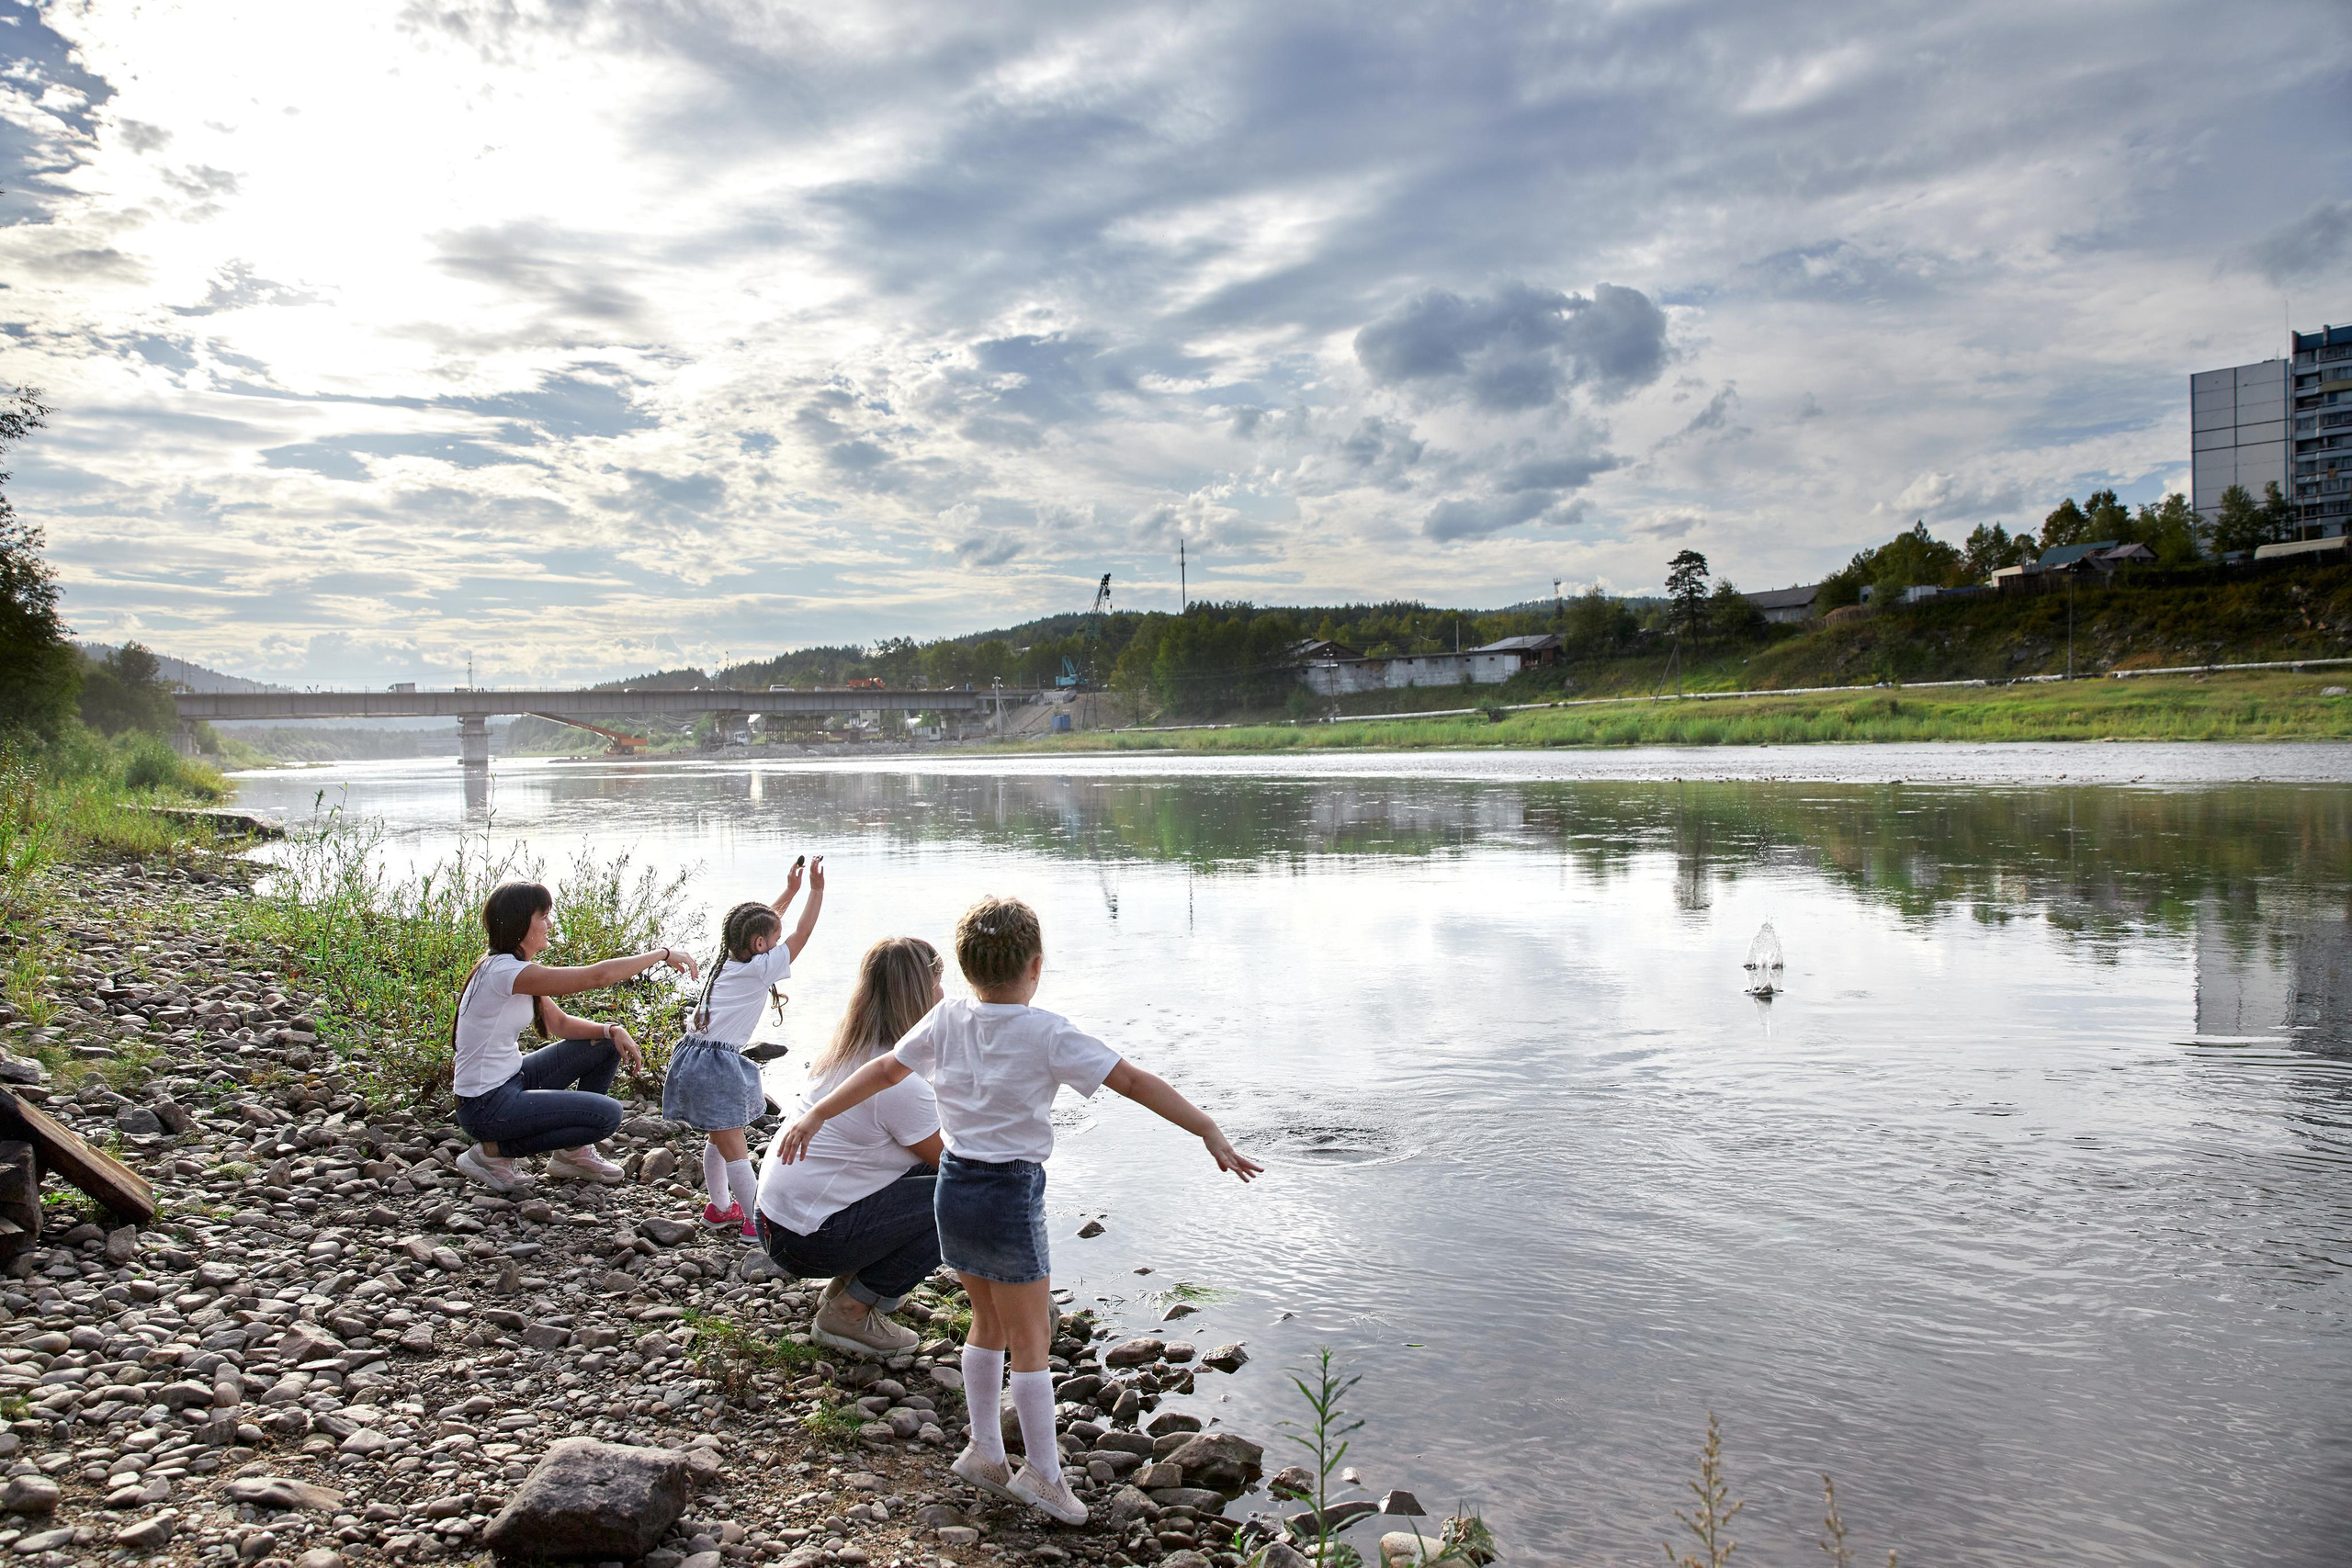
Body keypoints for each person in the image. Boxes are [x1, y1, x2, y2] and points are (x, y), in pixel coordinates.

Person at [775, 895, 1262, 1527]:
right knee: (1031, 1341)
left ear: (964, 967)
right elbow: (1134, 1082)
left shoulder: (947, 1018)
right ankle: (1045, 1475)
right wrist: (1206, 1128)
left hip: (954, 1184)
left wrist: (815, 1112)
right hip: (1008, 1193)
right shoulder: (1048, 1032)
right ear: (1035, 965)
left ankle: (984, 1449)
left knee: (987, 1323)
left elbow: (885, 1070)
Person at [754, 936, 946, 1359]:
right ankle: (850, 1312)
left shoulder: (851, 1052)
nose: (944, 997)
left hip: (776, 1221)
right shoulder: (898, 1087)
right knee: (968, 1196)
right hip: (805, 1241)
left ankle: (846, 1289)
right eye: (937, 985)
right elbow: (957, 1165)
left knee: (928, 1176)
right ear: (918, 996)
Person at [452, 880, 697, 1196]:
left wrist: (611, 1030)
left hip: (510, 1080)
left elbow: (561, 1023)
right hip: (486, 1106)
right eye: (543, 917)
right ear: (519, 923)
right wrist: (663, 954)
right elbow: (598, 976)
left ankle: (572, 1153)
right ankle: (493, 1153)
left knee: (605, 1044)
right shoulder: (504, 973)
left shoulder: (513, 969)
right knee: (606, 1115)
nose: (549, 925)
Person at [669, 858, 828, 1237]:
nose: (777, 944)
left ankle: (721, 1208)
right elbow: (802, 934)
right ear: (760, 945)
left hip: (691, 1056)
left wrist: (790, 891)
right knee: (736, 1149)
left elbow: (758, 927)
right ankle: (759, 1225)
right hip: (715, 1064)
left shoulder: (729, 957)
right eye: (773, 940)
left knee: (720, 1136)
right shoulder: (760, 968)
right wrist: (815, 891)